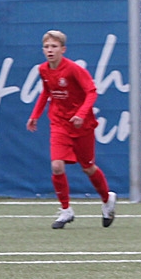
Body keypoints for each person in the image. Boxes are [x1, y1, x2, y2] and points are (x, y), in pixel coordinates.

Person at [27, 29, 116, 229]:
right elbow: (47, 92)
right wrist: (35, 115)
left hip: (81, 125)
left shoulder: (73, 69)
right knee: (57, 166)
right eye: (46, 47)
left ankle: (107, 199)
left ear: (63, 49)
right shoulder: (43, 69)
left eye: (54, 46)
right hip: (59, 123)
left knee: (88, 167)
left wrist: (81, 114)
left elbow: (91, 92)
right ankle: (66, 210)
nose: (50, 50)